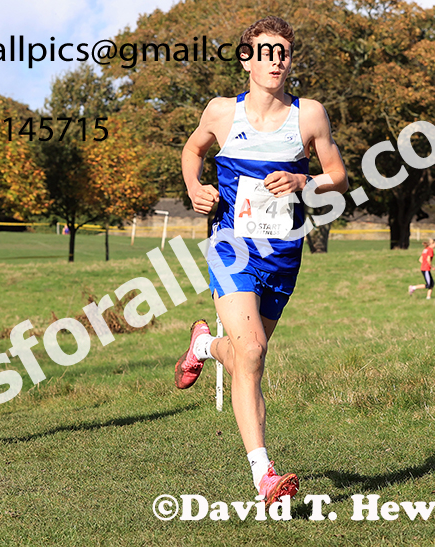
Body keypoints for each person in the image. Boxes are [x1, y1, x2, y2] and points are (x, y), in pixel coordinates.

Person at [175, 16, 348, 504]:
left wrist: (303, 183)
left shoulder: (310, 115)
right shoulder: (222, 113)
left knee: (245, 355)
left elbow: (338, 176)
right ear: (247, 59)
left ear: (290, 59)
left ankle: (204, 346)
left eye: (283, 52)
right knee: (251, 351)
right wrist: (195, 187)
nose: (275, 60)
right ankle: (264, 474)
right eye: (265, 52)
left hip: (284, 252)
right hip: (232, 246)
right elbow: (193, 150)